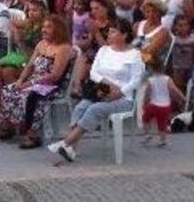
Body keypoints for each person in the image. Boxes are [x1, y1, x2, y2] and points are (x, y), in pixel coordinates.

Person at [49, 19, 145, 162]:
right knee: (81, 107)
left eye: (113, 31)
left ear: (124, 35)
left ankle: (66, 142)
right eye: (110, 31)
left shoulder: (134, 54)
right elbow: (94, 73)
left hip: (124, 97)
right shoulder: (103, 50)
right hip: (101, 92)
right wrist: (108, 84)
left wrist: (119, 92)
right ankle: (71, 149)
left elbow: (136, 79)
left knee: (95, 109)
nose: (109, 34)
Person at [0, 15, 74, 148]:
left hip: (52, 84)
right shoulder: (41, 45)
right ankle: (9, 126)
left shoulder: (63, 48)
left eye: (48, 27)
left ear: (58, 30)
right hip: (35, 80)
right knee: (10, 90)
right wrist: (21, 80)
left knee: (31, 96)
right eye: (43, 27)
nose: (44, 30)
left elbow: (55, 75)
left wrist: (30, 84)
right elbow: (30, 66)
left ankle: (32, 134)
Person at [141, 55, 184, 147]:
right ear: (163, 68)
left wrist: (144, 103)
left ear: (151, 69)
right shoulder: (167, 79)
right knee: (162, 123)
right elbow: (174, 90)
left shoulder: (150, 80)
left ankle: (147, 134)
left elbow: (147, 94)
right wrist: (182, 97)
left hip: (153, 105)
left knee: (145, 119)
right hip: (165, 106)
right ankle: (163, 140)